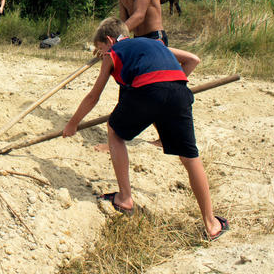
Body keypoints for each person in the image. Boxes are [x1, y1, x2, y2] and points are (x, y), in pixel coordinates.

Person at [62, 17, 228, 241]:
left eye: (100, 49)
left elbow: (94, 96)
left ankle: (124, 198)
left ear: (110, 40)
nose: (101, 54)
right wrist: (168, 88)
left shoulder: (113, 53)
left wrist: (73, 124)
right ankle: (211, 224)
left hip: (147, 91)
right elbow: (193, 59)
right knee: (190, 156)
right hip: (179, 92)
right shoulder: (156, 44)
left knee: (114, 130)